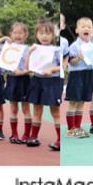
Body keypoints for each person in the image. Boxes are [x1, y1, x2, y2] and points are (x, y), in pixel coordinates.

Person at [25, 21, 64, 150]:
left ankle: (60, 140)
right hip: (37, 80)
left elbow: (63, 66)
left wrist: (51, 69)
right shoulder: (34, 49)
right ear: (36, 35)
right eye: (41, 33)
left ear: (53, 35)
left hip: (53, 82)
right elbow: (28, 68)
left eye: (48, 33)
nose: (44, 36)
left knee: (55, 112)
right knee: (37, 110)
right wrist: (29, 53)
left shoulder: (57, 50)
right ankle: (34, 137)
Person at [64, 17, 93, 138]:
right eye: (83, 26)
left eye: (89, 27)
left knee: (81, 102)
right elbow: (72, 62)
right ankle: (70, 129)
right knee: (73, 102)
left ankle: (77, 127)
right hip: (77, 75)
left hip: (89, 74)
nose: (86, 29)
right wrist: (79, 57)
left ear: (92, 30)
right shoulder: (74, 46)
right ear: (77, 30)